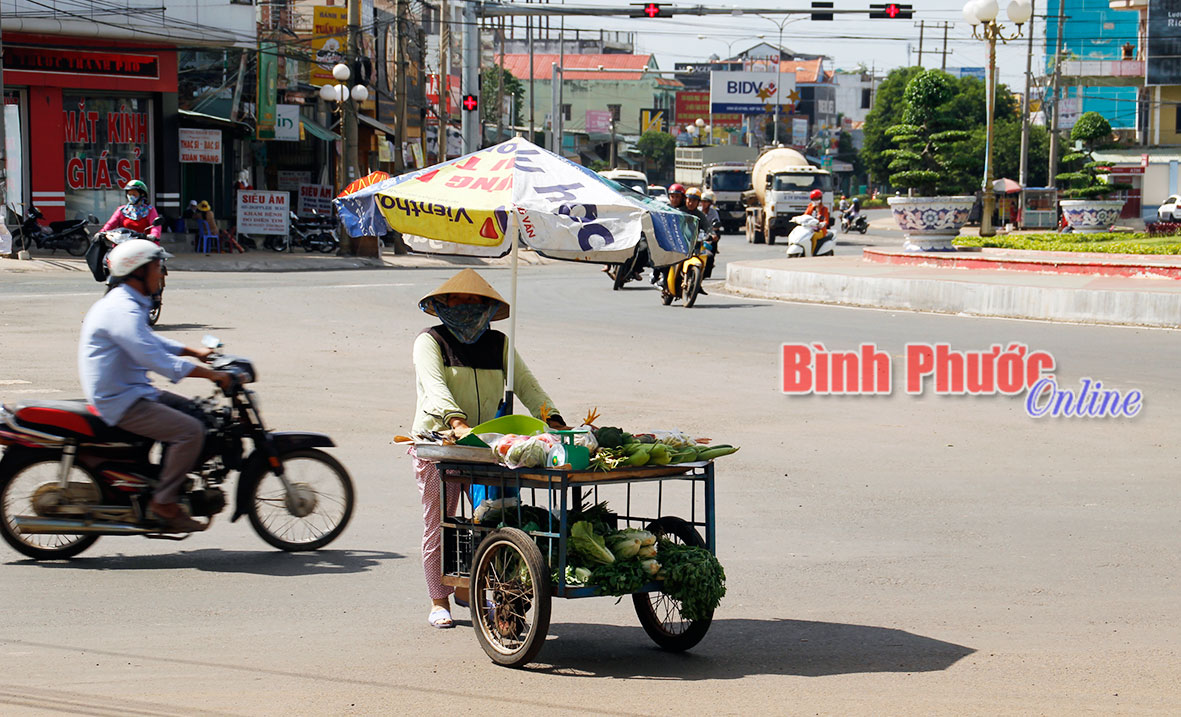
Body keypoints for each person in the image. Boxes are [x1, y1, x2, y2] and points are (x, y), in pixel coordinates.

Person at [410, 269, 567, 629]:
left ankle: (489, 594)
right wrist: (456, 422)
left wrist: (554, 419)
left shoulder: (499, 344)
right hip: (440, 444)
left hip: (487, 445)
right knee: (440, 521)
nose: (467, 307)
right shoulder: (430, 341)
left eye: (475, 302)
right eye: (459, 300)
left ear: (487, 308)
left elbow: (527, 385)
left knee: (496, 520)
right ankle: (439, 600)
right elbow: (434, 388)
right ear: (444, 304)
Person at [78, 239, 233, 533]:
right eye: (157, 267)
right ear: (138, 271)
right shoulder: (122, 310)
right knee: (190, 431)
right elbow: (154, 358)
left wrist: (192, 351)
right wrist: (210, 375)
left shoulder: (129, 303)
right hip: (122, 400)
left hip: (132, 391)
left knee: (198, 412)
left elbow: (151, 341)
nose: (162, 274)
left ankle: (166, 479)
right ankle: (163, 502)